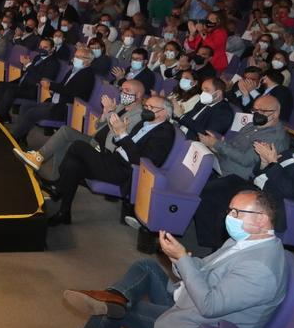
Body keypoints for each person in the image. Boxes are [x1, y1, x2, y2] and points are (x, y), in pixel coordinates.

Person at [29, 190, 287, 328]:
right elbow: (208, 269)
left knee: (110, 312)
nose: (229, 217)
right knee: (146, 266)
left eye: (236, 212)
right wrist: (181, 255)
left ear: (261, 220)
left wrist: (182, 262)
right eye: (230, 210)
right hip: (189, 299)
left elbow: (210, 306)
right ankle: (115, 294)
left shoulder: (261, 268)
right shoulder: (246, 241)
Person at [191, 124, 294, 247]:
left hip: (276, 202)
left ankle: (221, 250)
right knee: (210, 189)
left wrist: (273, 163)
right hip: (259, 187)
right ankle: (210, 241)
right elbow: (259, 171)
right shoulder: (292, 151)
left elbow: (289, 190)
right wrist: (265, 162)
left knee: (228, 208)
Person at [45, 95, 176, 226]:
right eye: (145, 106)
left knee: (78, 146)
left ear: (164, 112)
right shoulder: (144, 123)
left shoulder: (165, 132)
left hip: (126, 171)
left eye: (151, 107)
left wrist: (122, 134)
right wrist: (119, 134)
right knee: (73, 166)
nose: (146, 109)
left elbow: (143, 161)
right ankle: (64, 213)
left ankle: (59, 188)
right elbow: (125, 144)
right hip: (114, 159)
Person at [16, 79, 146, 182]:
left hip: (106, 149)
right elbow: (98, 125)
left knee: (66, 134)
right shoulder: (122, 106)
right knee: (65, 136)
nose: (123, 93)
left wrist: (111, 111)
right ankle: (56, 176)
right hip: (95, 140)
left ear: (139, 95)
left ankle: (40, 158)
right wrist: (105, 113)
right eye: (122, 90)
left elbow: (118, 135)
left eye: (127, 90)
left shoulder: (138, 115)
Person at [175, 77, 234, 141]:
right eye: (202, 90)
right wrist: (174, 111)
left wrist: (181, 116)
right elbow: (189, 116)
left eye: (207, 90)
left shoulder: (224, 112)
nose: (203, 94)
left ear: (218, 94)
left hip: (190, 141)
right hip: (179, 132)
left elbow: (207, 134)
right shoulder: (202, 102)